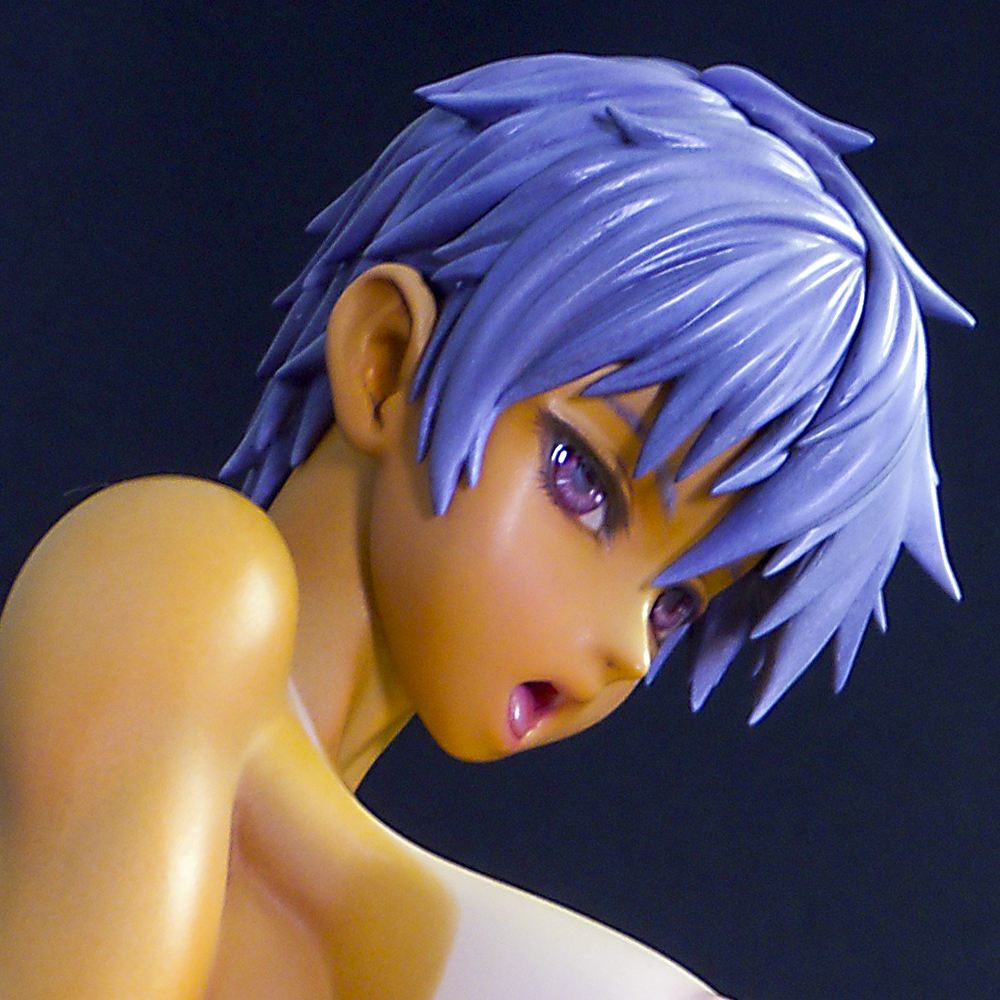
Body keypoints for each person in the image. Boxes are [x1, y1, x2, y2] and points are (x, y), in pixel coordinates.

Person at [0, 54, 972, 1000]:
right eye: (583, 481)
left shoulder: (283, 808)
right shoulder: (182, 568)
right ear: (385, 358)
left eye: (675, 604)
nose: (630, 648)